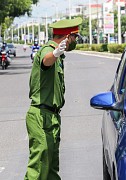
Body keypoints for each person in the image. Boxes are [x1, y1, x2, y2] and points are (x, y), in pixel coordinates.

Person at [24, 17, 82, 180]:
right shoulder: (48, 50)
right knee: (39, 165)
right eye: (74, 37)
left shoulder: (60, 57)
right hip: (41, 117)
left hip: (53, 117)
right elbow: (45, 61)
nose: (75, 41)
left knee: (50, 167)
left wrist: (58, 54)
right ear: (67, 36)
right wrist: (55, 53)